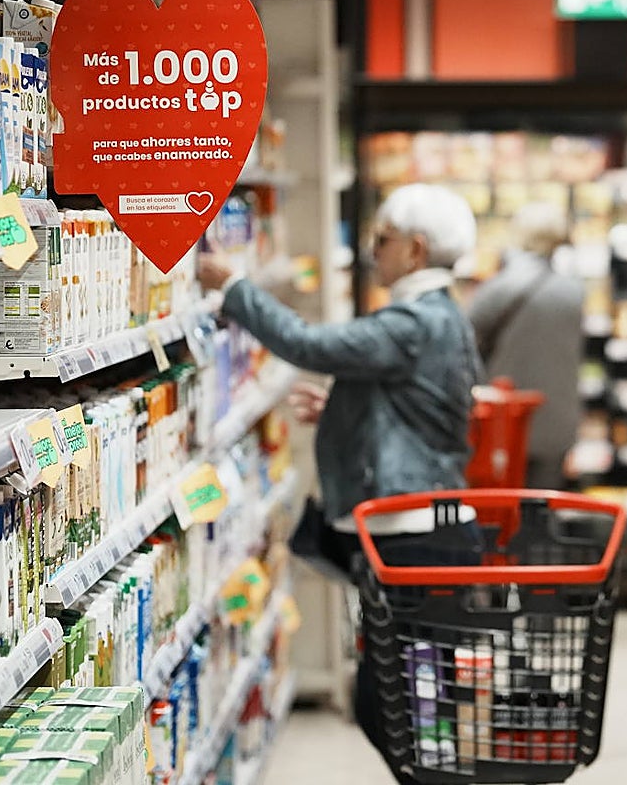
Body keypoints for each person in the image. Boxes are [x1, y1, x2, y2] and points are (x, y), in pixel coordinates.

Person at [197, 182, 484, 785]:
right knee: (407, 699)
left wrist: (235, 287)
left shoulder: (415, 320)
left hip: (412, 532)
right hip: (423, 525)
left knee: (398, 702)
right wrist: (344, 414)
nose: (373, 250)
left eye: (382, 239)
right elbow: (416, 409)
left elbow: (310, 344)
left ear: (415, 248)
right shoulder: (439, 316)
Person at [467, 201, 584, 489]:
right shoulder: (573, 292)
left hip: (503, 422)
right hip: (556, 421)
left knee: (500, 512)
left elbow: (464, 342)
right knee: (541, 509)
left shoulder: (498, 288)